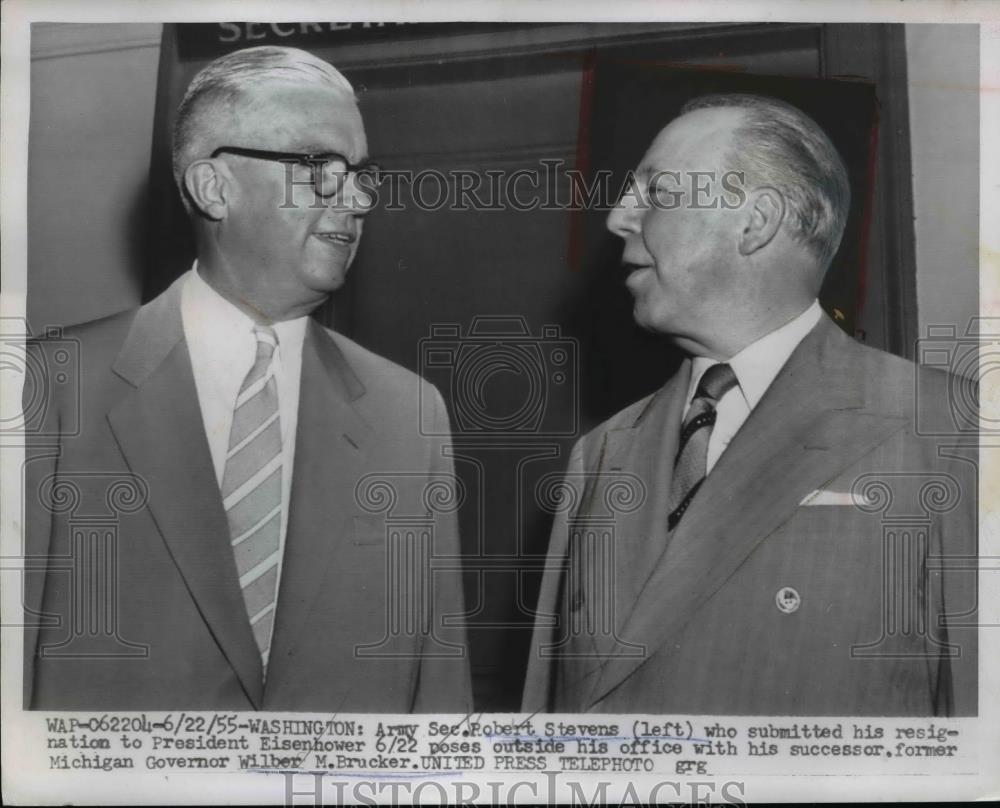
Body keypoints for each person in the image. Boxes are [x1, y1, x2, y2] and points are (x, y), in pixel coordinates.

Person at [23, 46, 471, 711]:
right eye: (319, 167)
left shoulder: (409, 413)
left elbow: (438, 699)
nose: (356, 200)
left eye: (360, 175)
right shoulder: (50, 388)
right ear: (214, 187)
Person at [523, 93, 977, 715]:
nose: (618, 218)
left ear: (755, 221)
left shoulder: (949, 433)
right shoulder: (598, 456)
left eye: (656, 192)